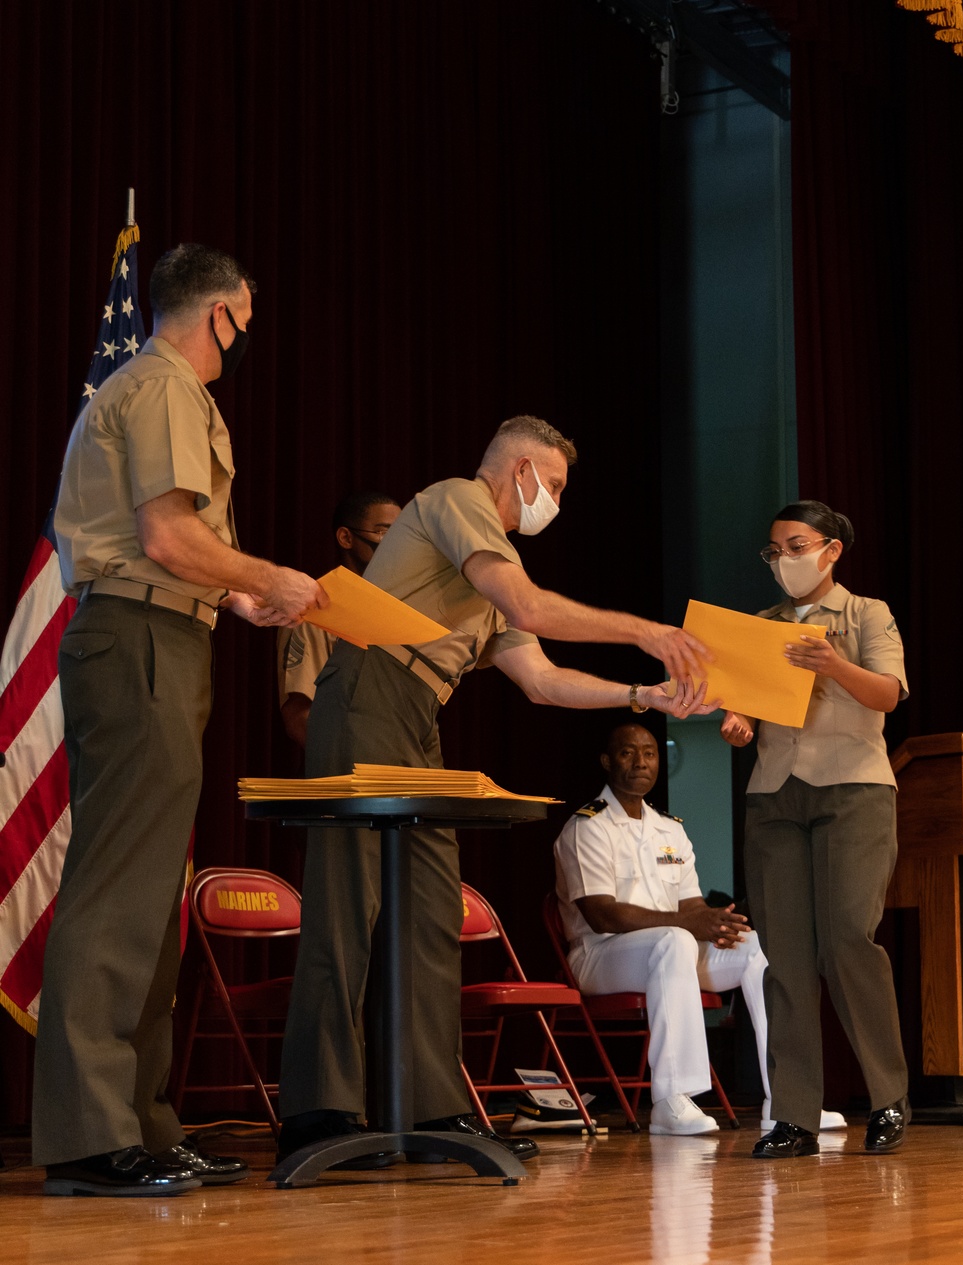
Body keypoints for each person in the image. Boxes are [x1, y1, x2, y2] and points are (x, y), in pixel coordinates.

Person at [278, 414, 712, 1164]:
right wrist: (648, 631)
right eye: (554, 484)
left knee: (429, 907)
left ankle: (430, 1105)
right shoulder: (458, 500)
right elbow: (533, 607)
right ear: (518, 470)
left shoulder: (488, 567)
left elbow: (540, 680)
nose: (556, 501)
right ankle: (320, 1107)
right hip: (367, 688)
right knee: (350, 901)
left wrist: (643, 694)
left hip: (420, 711)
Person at [33, 243, 326, 1197]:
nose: (248, 335)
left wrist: (239, 598)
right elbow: (166, 536)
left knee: (154, 888)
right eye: (247, 317)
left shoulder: (168, 392)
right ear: (223, 312)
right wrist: (265, 577)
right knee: (121, 885)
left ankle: (143, 1121)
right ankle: (88, 1135)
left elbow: (172, 547)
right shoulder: (160, 385)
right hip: (137, 640)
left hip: (167, 635)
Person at [721, 500, 909, 1158]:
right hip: (775, 793)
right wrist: (738, 721)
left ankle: (887, 1095)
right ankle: (794, 1114)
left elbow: (887, 693)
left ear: (831, 550)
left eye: (795, 546)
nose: (783, 560)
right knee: (786, 960)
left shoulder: (866, 614)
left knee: (848, 941)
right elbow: (743, 705)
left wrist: (834, 665)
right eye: (774, 550)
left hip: (853, 787)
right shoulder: (762, 624)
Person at [554, 721, 847, 1136]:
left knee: (752, 947)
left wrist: (716, 924)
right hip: (600, 955)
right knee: (674, 940)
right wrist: (689, 924)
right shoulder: (587, 827)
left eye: (650, 753)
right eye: (627, 753)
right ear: (607, 761)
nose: (641, 762)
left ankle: (787, 1099)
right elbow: (603, 915)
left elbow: (690, 905)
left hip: (666, 952)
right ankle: (671, 1100)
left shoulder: (669, 828)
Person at [277, 491, 400, 748]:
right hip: (349, 775)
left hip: (398, 768)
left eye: (402, 535)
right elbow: (298, 715)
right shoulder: (315, 610)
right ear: (346, 537)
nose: (396, 545)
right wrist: (350, 762)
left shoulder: (398, 610)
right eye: (384, 533)